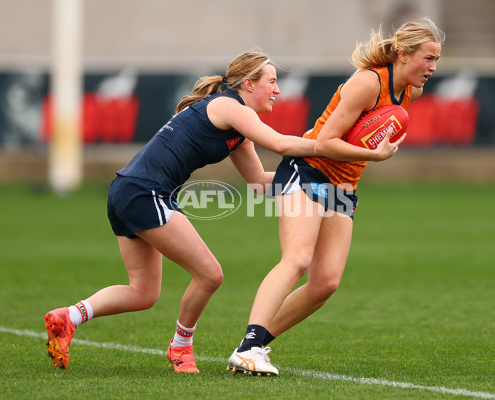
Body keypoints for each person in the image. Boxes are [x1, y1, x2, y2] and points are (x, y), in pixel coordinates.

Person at [43, 51, 321, 373]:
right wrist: (328, 148)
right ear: (248, 84)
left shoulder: (237, 126)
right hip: (144, 193)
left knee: (143, 293)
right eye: (272, 82)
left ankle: (68, 317)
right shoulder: (230, 106)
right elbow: (281, 145)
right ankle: (181, 347)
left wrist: (311, 179)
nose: (278, 90)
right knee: (210, 274)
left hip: (128, 190)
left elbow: (259, 182)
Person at [227, 18, 445, 376]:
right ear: (404, 55)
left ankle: (252, 345)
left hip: (344, 187)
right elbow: (325, 142)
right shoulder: (367, 82)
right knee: (297, 259)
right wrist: (376, 156)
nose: (433, 68)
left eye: (437, 60)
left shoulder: (410, 91)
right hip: (308, 170)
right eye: (429, 58)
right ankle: (250, 346)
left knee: (325, 283)